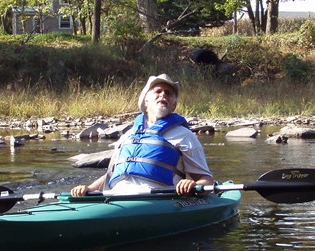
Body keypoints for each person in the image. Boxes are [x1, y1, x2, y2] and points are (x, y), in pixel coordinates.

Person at [70, 74, 214, 197]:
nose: (163, 94)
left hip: (159, 199)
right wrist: (91, 188)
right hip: (117, 196)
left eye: (168, 93)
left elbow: (206, 179)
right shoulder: (127, 136)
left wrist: (193, 184)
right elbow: (111, 173)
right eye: (158, 91)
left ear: (174, 104)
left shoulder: (184, 136)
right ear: (146, 101)